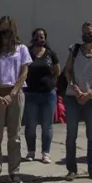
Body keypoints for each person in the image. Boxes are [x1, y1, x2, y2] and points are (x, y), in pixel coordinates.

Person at [0, 16, 31, 183]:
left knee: (14, 136)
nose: (4, 35)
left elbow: (24, 73)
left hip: (15, 93)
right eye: (2, 31)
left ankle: (14, 172)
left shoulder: (22, 49)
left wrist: (12, 94)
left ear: (13, 32)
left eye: (8, 32)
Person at [63, 21, 92, 182]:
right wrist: (74, 88)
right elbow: (67, 70)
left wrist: (91, 92)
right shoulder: (74, 50)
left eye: (89, 32)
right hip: (72, 96)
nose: (86, 34)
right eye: (84, 32)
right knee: (71, 134)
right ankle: (71, 169)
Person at [23, 28, 60, 164]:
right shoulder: (26, 52)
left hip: (48, 95)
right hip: (31, 94)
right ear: (33, 38)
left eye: (43, 36)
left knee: (47, 125)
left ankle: (46, 153)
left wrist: (53, 83)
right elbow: (21, 70)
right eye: (38, 36)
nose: (41, 39)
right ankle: (31, 151)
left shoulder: (50, 53)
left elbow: (57, 70)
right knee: (31, 125)